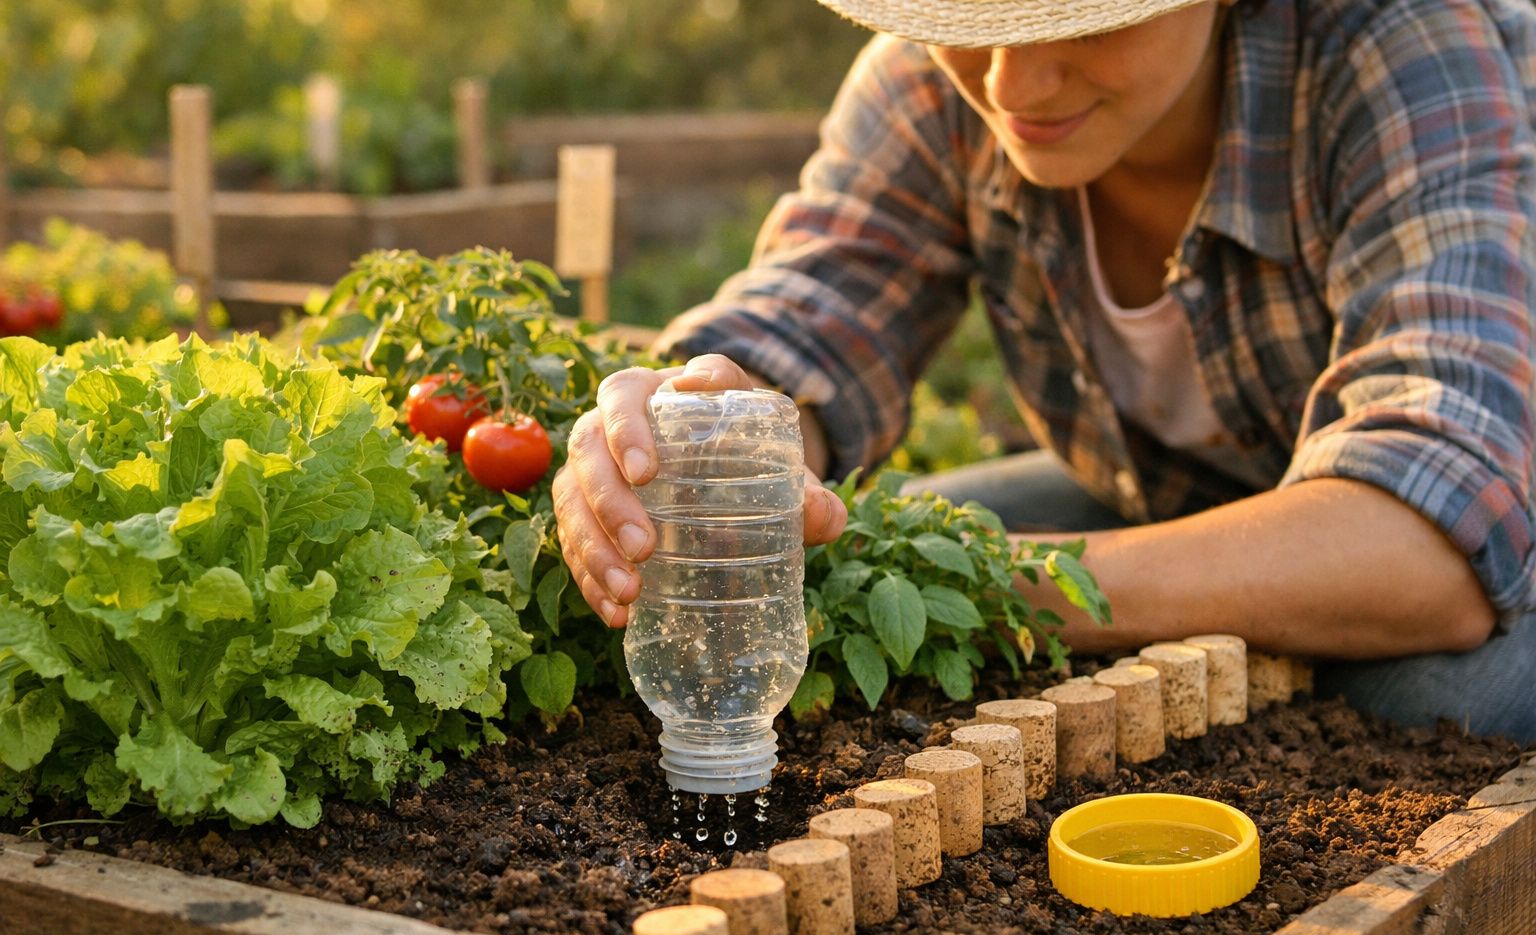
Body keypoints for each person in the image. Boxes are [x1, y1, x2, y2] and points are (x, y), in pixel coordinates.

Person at [552, 0, 1536, 744]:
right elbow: (812, 314)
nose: (1015, 89)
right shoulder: (937, 79)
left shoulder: (1395, 47)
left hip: (1497, 521)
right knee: (864, 554)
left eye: (1087, 19)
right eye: (976, 18)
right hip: (1175, 494)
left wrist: (1012, 592)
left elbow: (1433, 545)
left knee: (1435, 703)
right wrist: (701, 419)